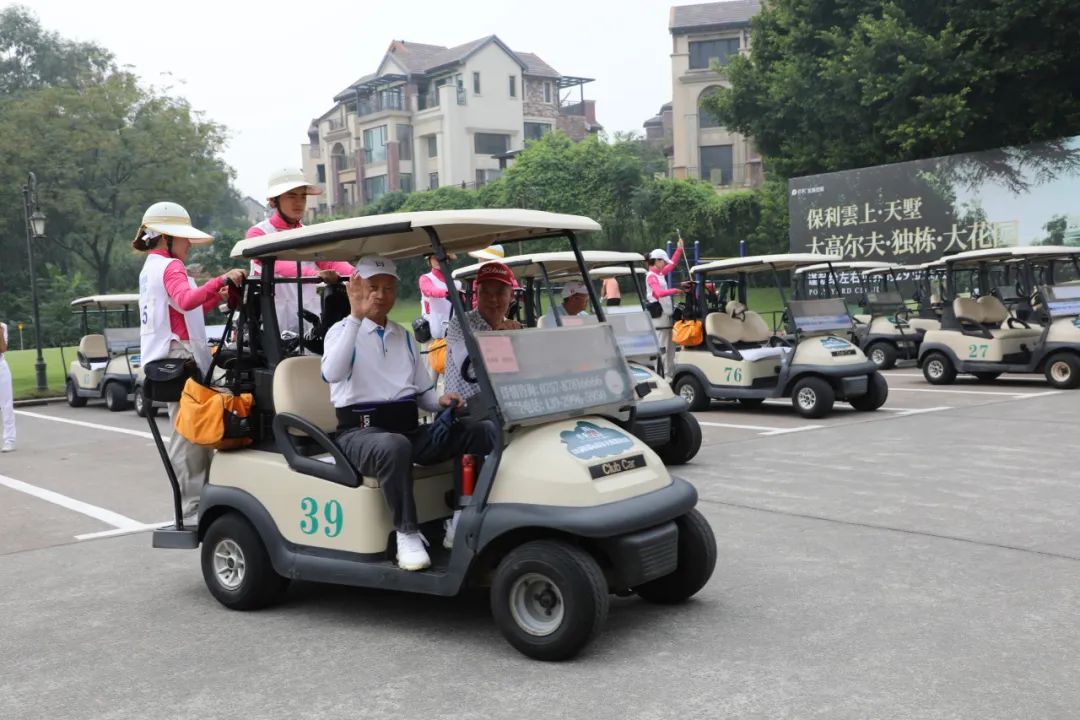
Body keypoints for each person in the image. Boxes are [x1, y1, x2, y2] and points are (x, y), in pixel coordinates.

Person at [322, 256, 496, 571]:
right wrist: (355, 318)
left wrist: (441, 402)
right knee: (394, 445)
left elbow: (422, 394)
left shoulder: (402, 336)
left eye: (388, 288)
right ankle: (407, 533)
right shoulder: (341, 331)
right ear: (357, 289)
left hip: (408, 430)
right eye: (373, 287)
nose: (380, 295)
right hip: (359, 434)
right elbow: (332, 373)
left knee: (478, 430)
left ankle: (461, 519)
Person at [135, 201, 246, 520]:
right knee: (190, 434)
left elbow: (185, 308)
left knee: (190, 430)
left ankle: (197, 501)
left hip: (166, 359)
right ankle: (194, 505)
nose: (189, 244)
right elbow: (185, 300)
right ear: (166, 237)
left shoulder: (151, 267)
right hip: (180, 357)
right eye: (183, 237)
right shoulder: (171, 266)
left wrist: (214, 295)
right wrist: (220, 281)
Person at [246, 168, 354, 337]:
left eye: (303, 196)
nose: (299, 202)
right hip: (271, 321)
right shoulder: (258, 233)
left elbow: (331, 260)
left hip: (309, 319)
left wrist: (358, 275)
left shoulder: (309, 233)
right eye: (291, 196)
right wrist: (314, 274)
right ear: (274, 201)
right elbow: (275, 264)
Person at [444, 262, 523, 403]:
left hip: (502, 405)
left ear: (511, 295)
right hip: (464, 408)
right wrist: (499, 337)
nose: (493, 299)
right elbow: (472, 370)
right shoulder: (461, 323)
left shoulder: (513, 329)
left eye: (500, 292)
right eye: (486, 292)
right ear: (477, 294)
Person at [646, 237, 685, 376]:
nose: (664, 264)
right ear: (657, 261)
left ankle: (670, 373)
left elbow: (672, 265)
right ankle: (661, 374)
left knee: (671, 346)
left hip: (666, 314)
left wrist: (679, 249)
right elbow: (659, 293)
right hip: (659, 316)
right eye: (663, 261)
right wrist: (674, 290)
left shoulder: (660, 273)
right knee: (663, 346)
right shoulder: (651, 276)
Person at [418, 252, 462, 340]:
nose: (438, 260)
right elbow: (431, 291)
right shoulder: (425, 278)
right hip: (431, 332)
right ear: (429, 260)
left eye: (443, 257)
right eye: (435, 257)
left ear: (448, 260)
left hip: (452, 331)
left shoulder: (456, 282)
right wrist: (449, 292)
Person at [0, 321, 14, 453]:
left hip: (1, 367)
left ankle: (9, 440)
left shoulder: (2, 326)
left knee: (6, 405)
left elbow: (3, 348)